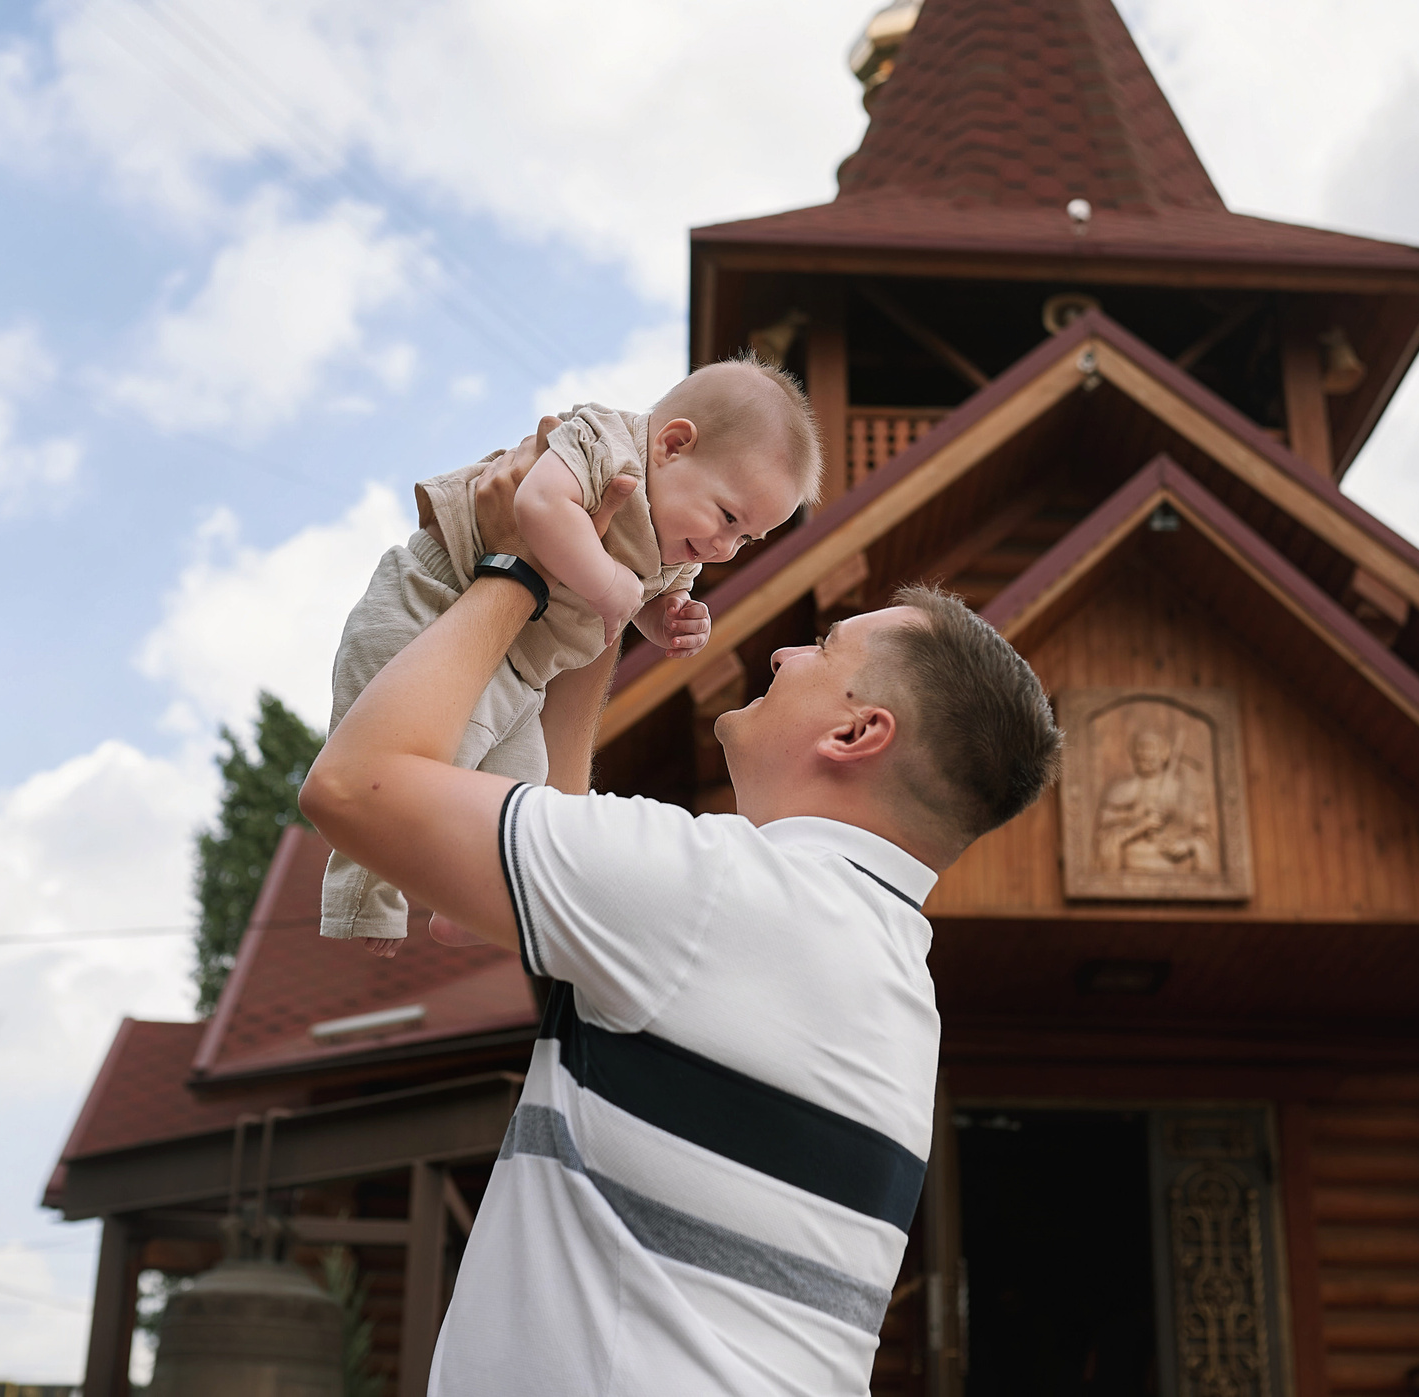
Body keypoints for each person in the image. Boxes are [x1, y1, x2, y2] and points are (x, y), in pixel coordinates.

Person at [300, 425, 1062, 1396]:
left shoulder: (718, 896)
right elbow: (566, 854)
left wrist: (515, 569)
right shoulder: (880, 973)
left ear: (857, 729)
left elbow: (356, 787)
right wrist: (596, 587)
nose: (785, 650)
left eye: (824, 648)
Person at [320, 356, 823, 955]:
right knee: (401, 769)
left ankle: (482, 903)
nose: (723, 547)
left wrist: (668, 619)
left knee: (524, 800)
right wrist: (610, 585)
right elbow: (536, 503)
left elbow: (647, 599)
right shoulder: (606, 446)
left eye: (745, 539)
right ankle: (364, 906)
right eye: (728, 517)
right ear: (673, 444)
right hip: (431, 601)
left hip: (518, 664)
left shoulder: (679, 538)